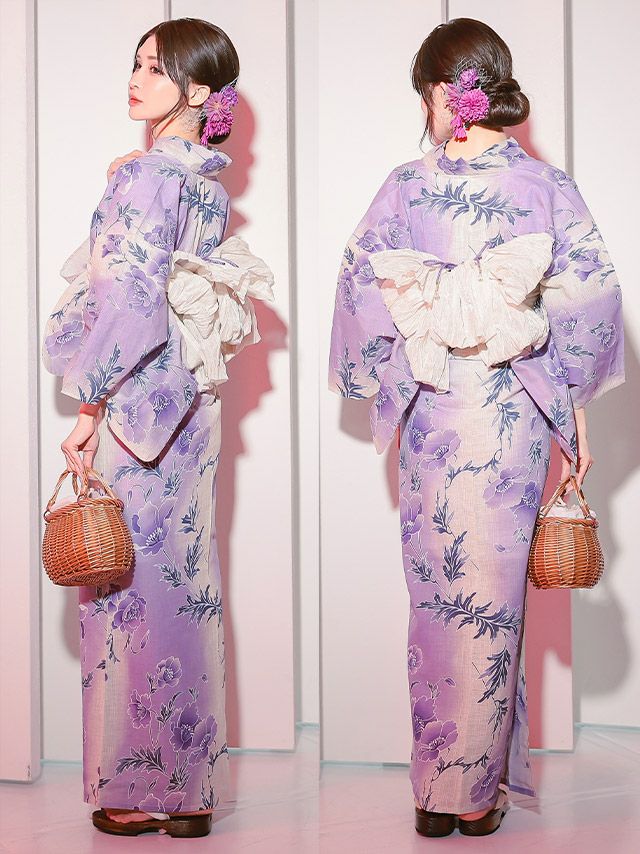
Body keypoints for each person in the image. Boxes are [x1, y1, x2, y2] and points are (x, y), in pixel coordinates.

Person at [327, 17, 624, 838]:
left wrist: (383, 368)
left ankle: (442, 792)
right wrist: (572, 410)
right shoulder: (546, 186)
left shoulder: (405, 186)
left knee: (438, 596)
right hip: (512, 410)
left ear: (437, 91)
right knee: (491, 600)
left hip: (434, 407)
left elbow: (359, 288)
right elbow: (590, 300)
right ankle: (476, 790)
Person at [42, 18, 273, 838]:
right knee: (185, 585)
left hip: (140, 407)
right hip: (192, 408)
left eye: (155, 68)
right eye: (135, 63)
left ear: (198, 89)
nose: (135, 79)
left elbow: (128, 302)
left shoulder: (145, 176)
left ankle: (137, 787)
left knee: (125, 593)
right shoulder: (203, 183)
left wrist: (88, 407)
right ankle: (191, 790)